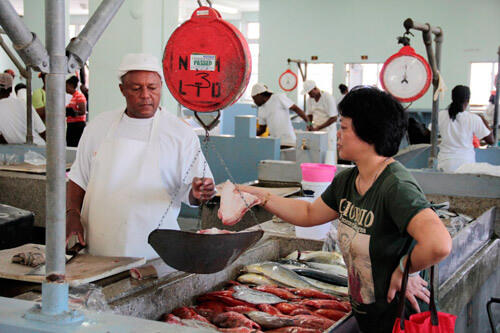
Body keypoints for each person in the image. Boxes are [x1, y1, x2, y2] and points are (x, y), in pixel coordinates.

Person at [238, 86, 452, 332]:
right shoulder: (348, 180)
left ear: (369, 134)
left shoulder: (395, 186)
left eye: (344, 128)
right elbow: (309, 214)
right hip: (369, 316)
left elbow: (439, 244)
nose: (338, 135)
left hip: (400, 318)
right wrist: (262, 197)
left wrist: (405, 269)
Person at [65, 53, 216, 260]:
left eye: (152, 88)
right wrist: (72, 213)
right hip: (98, 248)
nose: (145, 95)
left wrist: (199, 192)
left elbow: (192, 192)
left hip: (154, 253)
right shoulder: (99, 126)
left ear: (161, 86)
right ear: (122, 90)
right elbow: (78, 177)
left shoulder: (180, 133)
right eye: (136, 89)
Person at [437, 85, 493, 172]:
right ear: (468, 100)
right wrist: (483, 119)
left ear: (452, 98)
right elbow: (491, 141)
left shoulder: (441, 115)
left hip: (445, 163)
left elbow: (429, 135)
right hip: (466, 164)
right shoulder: (473, 118)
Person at [252, 83, 310, 148]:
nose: (254, 101)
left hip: (288, 141)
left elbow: (296, 109)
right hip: (275, 143)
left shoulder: (277, 97)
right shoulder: (261, 109)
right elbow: (262, 129)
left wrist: (309, 122)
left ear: (259, 94)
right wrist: (249, 135)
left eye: (254, 98)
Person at [0, 74, 46, 145]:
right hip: (39, 147)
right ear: (11, 89)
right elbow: (42, 131)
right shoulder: (24, 104)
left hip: (19, 151)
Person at [302, 80, 339, 163]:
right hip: (317, 129)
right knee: (317, 151)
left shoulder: (327, 97)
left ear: (315, 89)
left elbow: (334, 117)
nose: (309, 95)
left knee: (329, 152)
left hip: (328, 130)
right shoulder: (310, 100)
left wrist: (319, 127)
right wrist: (309, 124)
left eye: (310, 92)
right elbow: (309, 114)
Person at [65, 75, 87, 147]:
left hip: (77, 126)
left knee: (76, 145)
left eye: (66, 86)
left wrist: (73, 112)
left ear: (71, 85)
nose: (65, 88)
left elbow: (83, 111)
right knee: (70, 144)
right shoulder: (70, 97)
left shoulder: (79, 96)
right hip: (70, 125)